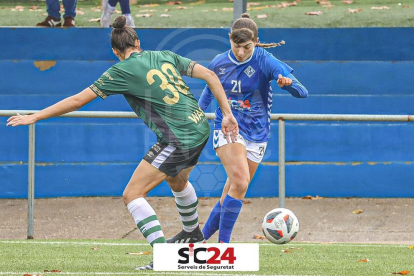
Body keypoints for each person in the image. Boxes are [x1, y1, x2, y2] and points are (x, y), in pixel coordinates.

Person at [7, 15, 238, 270]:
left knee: (132, 194)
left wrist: (36, 116)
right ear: (138, 42)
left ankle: (165, 258)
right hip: (199, 128)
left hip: (178, 138)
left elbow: (77, 101)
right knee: (177, 179)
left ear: (116, 51)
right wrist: (227, 114)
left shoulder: (121, 70)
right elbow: (211, 76)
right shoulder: (165, 55)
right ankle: (193, 233)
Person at [168, 13, 308, 244]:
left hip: (258, 134)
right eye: (236, 45)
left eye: (246, 47)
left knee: (233, 191)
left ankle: (200, 242)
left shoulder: (265, 60)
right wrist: (196, 117)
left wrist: (288, 84)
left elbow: (302, 92)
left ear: (256, 41)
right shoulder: (220, 62)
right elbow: (207, 93)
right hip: (228, 128)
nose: (240, 52)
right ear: (229, 39)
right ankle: (224, 244)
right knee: (241, 181)